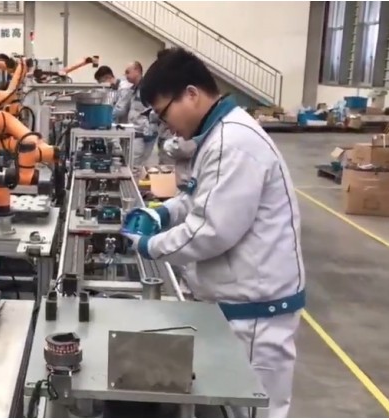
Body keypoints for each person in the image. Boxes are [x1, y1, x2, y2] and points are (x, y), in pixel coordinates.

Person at [121, 47, 304, 418]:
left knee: (252, 409)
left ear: (191, 94)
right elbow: (199, 198)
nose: (166, 126)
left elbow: (210, 230)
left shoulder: (233, 143)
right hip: (237, 302)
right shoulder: (217, 135)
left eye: (164, 113)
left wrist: (152, 246)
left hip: (255, 312)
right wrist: (163, 213)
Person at [113, 61, 156, 170]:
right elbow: (121, 109)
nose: (126, 75)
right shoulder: (133, 89)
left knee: (135, 167)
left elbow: (154, 111)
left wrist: (149, 129)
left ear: (137, 71)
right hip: (134, 134)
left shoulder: (148, 89)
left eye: (128, 72)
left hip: (143, 135)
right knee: (133, 165)